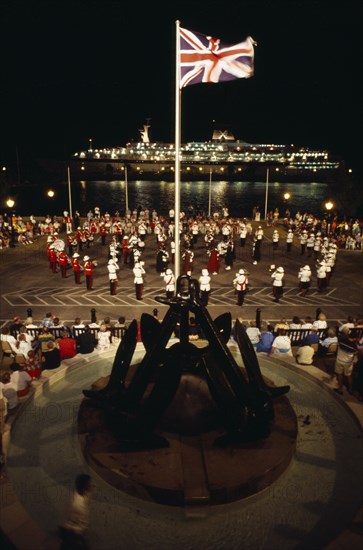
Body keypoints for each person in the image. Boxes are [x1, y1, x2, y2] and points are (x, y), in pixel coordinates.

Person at [59, 473, 92, 550]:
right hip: (73, 535)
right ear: (84, 487)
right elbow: (74, 524)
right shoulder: (78, 505)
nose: (91, 485)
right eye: (89, 484)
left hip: (73, 535)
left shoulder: (82, 494)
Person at [334, 326, 358, 395]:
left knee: (340, 375)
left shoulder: (341, 341)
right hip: (348, 363)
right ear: (354, 338)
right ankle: (350, 389)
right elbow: (355, 355)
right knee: (349, 376)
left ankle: (340, 389)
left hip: (339, 360)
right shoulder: (354, 346)